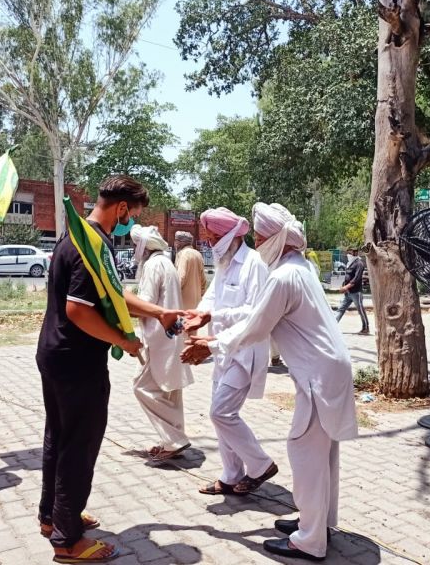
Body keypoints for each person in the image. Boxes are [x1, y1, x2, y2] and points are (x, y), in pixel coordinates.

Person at [182, 202, 358, 562]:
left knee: (304, 453)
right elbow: (248, 313)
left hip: (318, 376)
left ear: (277, 239)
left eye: (262, 238)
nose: (259, 244)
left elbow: (255, 326)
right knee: (323, 456)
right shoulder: (300, 268)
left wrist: (210, 345)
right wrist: (211, 318)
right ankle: (318, 522)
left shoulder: (282, 277)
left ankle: (308, 541)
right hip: (327, 370)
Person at [36, 175, 183, 563]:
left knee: (59, 437)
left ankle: (53, 515)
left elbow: (112, 295)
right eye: (132, 215)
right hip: (76, 361)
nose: (130, 223)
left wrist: (159, 313)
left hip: (55, 354)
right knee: (78, 446)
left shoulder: (79, 235)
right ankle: (68, 541)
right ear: (121, 208)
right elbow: (79, 310)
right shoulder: (92, 245)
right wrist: (125, 342)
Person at [185, 207, 277, 496]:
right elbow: (212, 297)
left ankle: (261, 465)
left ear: (229, 236)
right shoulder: (225, 264)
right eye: (208, 238)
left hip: (245, 350)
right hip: (222, 349)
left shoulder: (254, 264)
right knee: (221, 415)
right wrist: (195, 316)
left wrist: (213, 317)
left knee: (221, 413)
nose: (210, 243)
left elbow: (255, 312)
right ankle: (230, 475)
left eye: (214, 238)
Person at [130, 224, 194, 462]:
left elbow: (144, 303)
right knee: (170, 393)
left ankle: (175, 439)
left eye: (136, 245)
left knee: (142, 388)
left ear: (143, 247)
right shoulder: (166, 262)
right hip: (173, 335)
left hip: (159, 337)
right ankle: (173, 439)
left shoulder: (153, 265)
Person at [335, 247, 370, 335]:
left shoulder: (359, 264)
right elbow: (347, 277)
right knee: (340, 309)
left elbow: (356, 279)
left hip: (356, 292)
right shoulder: (349, 264)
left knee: (360, 310)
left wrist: (345, 287)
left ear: (355, 253)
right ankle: (333, 326)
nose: (348, 255)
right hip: (348, 293)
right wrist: (344, 286)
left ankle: (365, 328)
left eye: (350, 253)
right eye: (348, 253)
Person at [173, 230, 207, 310]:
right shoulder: (197, 254)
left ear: (179, 242)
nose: (175, 244)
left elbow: (180, 278)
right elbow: (203, 280)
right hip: (196, 303)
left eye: (176, 241)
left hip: (183, 304)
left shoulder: (183, 254)